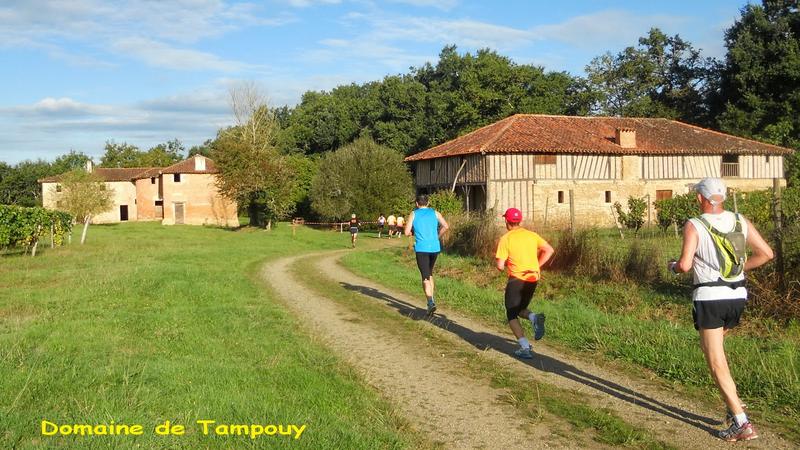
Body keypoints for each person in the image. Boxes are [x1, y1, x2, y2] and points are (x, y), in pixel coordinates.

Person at [668, 178, 773, 442]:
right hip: (737, 296)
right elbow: (766, 254)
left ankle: (741, 422)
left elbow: (684, 264)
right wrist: (734, 272)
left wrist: (672, 267)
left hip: (710, 298)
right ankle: (733, 404)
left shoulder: (695, 224)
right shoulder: (740, 220)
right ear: (722, 197)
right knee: (712, 351)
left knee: (715, 361)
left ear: (700, 199)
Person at [495, 208, 554, 359]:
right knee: (521, 308)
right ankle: (534, 318)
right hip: (533, 277)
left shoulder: (506, 238)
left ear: (507, 221)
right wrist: (538, 265)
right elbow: (549, 250)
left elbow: (500, 266)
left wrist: (506, 263)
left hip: (517, 278)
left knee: (511, 313)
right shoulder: (532, 235)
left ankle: (525, 347)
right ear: (519, 221)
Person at [404, 195, 449, 315]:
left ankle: (430, 302)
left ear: (417, 204)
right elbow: (446, 226)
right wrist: (437, 236)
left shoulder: (414, 214)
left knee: (425, 277)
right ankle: (431, 301)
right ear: (428, 203)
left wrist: (413, 233)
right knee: (429, 273)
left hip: (422, 248)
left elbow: (406, 232)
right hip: (434, 247)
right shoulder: (435, 212)